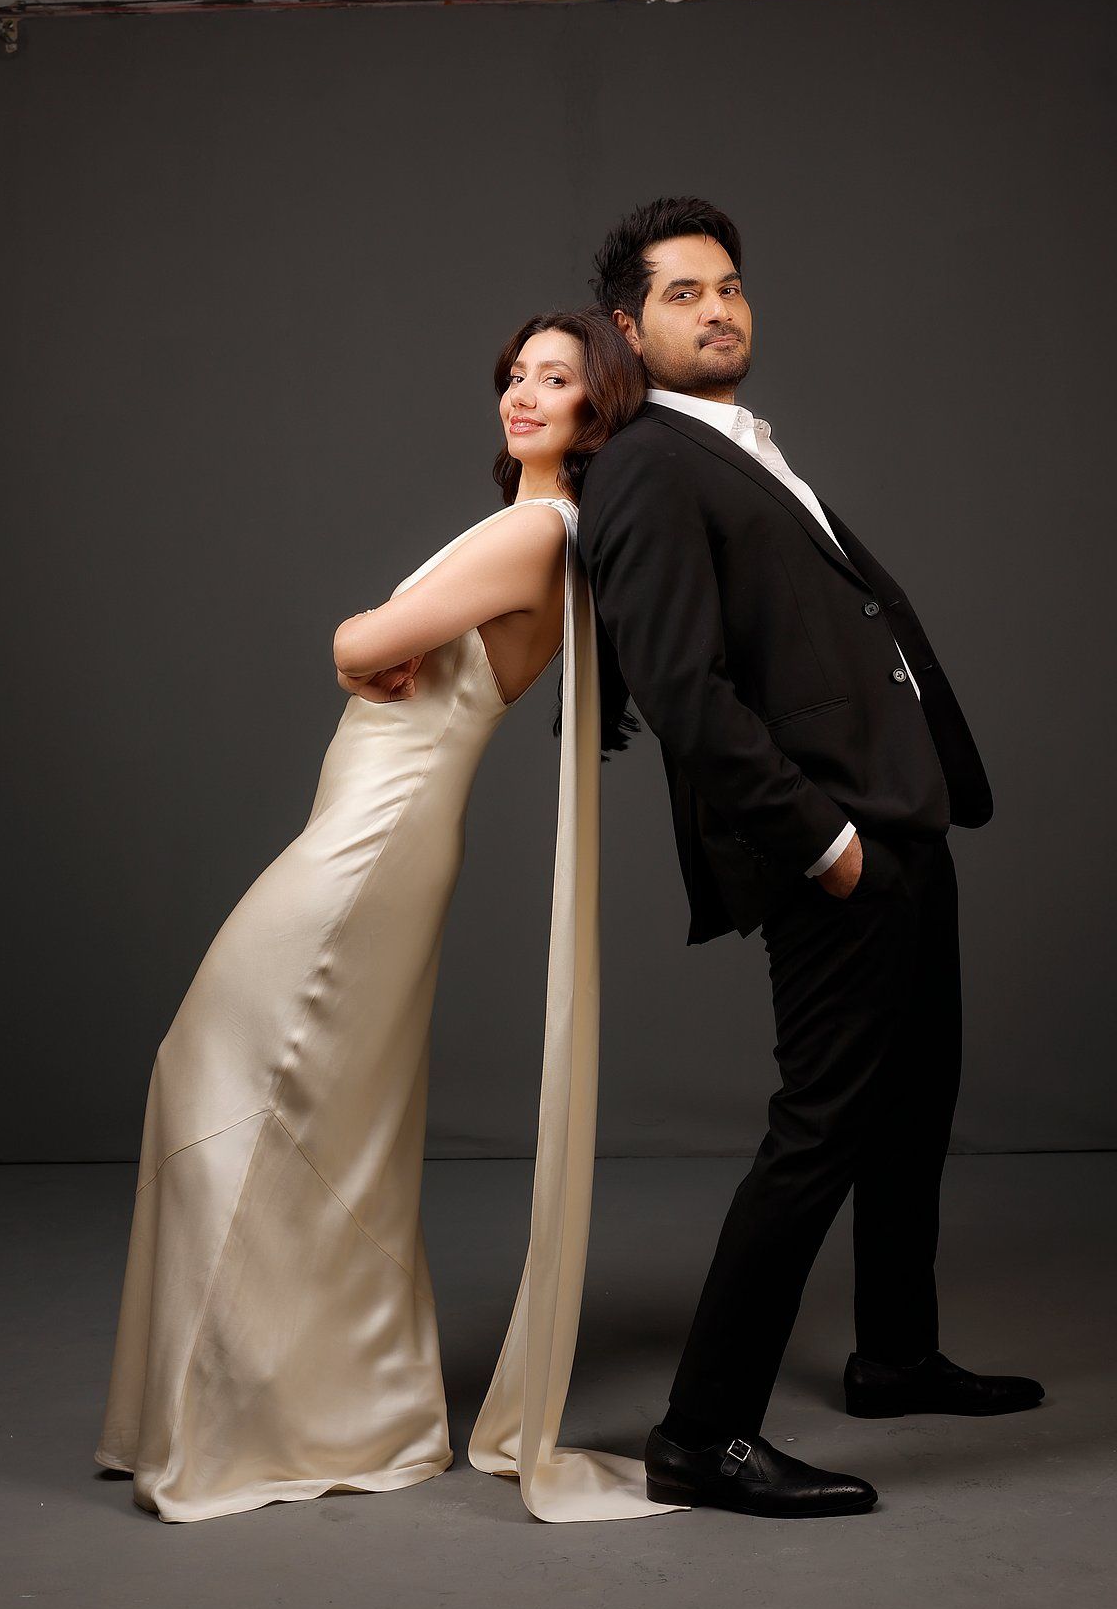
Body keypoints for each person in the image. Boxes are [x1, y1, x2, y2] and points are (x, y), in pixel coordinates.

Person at [94, 309, 682, 1525]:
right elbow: (373, 650)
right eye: (516, 374)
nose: (524, 394)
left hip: (372, 845)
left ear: (600, 410)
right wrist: (363, 650)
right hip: (373, 833)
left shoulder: (537, 534)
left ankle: (282, 1416)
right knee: (290, 1104)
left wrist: (354, 644)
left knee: (228, 1078)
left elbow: (363, 639)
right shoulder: (531, 534)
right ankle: (288, 1403)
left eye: (558, 378)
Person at [578, 197, 1045, 1521]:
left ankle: (894, 1355)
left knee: (913, 1107)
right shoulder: (649, 463)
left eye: (729, 286)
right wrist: (824, 843)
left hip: (903, 817)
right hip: (830, 838)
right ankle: (702, 1432)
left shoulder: (741, 446)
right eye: (683, 293)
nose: (718, 308)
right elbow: (682, 688)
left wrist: (899, 811)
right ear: (628, 328)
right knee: (821, 1130)